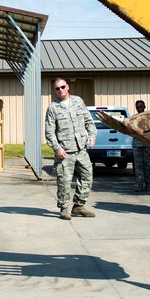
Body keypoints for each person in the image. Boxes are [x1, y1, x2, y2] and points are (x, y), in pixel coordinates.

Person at [44, 77, 96, 220]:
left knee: (87, 177)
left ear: (68, 87)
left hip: (81, 149)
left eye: (62, 87)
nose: (60, 90)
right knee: (64, 181)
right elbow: (49, 132)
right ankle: (64, 208)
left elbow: (89, 121)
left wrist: (92, 135)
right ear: (54, 91)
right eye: (57, 88)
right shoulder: (53, 108)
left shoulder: (78, 101)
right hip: (65, 152)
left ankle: (79, 206)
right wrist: (57, 149)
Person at [130, 100, 150, 193]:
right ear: (136, 108)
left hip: (147, 144)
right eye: (138, 107)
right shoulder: (133, 118)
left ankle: (147, 185)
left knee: (147, 165)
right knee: (138, 165)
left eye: (141, 107)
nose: (139, 109)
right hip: (137, 145)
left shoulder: (149, 118)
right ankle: (140, 185)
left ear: (144, 107)